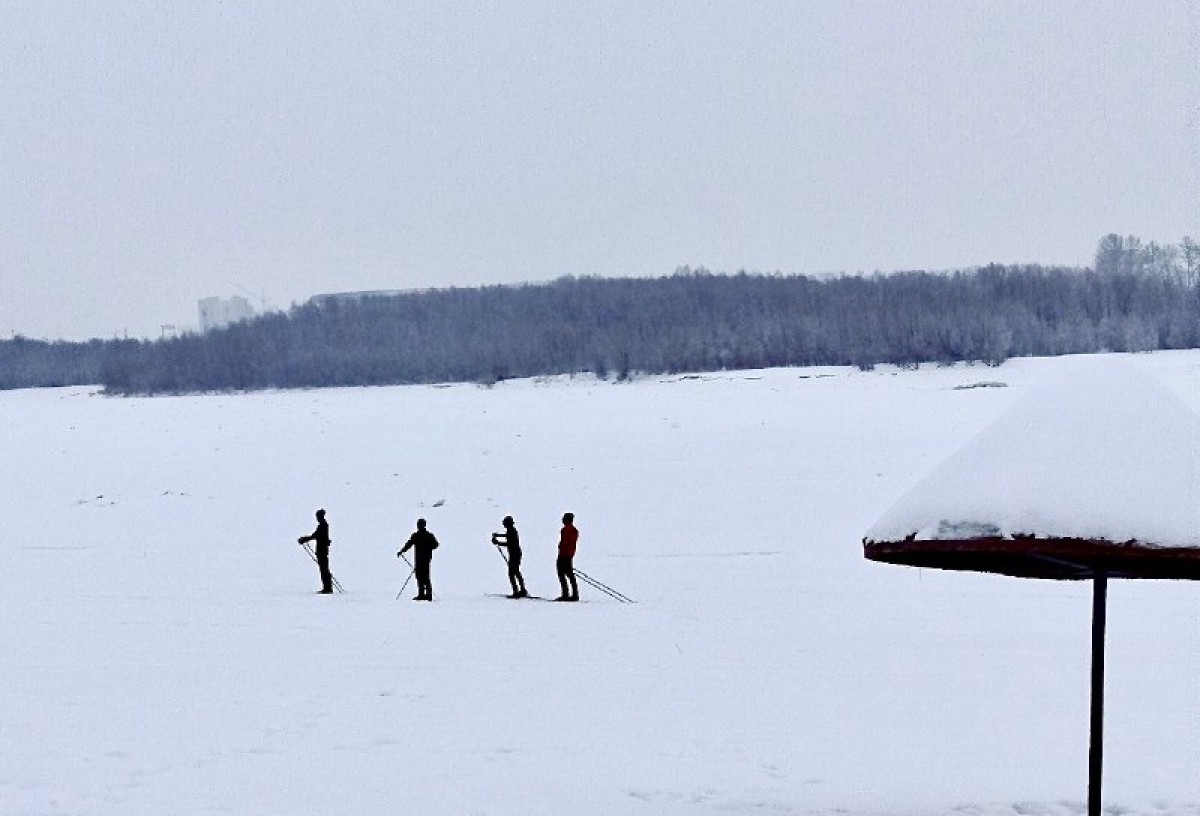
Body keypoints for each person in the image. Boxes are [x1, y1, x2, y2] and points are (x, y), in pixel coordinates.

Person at [398, 518, 439, 601]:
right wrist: (429, 548)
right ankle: (427, 595)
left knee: (420, 577)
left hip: (419, 559)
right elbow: (435, 545)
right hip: (426, 559)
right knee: (425, 576)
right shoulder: (429, 535)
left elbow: (408, 544)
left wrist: (402, 551)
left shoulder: (416, 535)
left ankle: (422, 595)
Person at [298, 508, 333, 594]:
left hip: (322, 550)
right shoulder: (323, 525)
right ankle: (327, 587)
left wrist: (305, 539)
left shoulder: (323, 525)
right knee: (324, 569)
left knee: (324, 569)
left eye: (317, 516)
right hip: (322, 550)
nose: (317, 518)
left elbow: (316, 535)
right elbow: (316, 535)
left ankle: (327, 588)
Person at [491, 515, 527, 598]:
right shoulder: (511, 530)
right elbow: (507, 536)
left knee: (512, 573)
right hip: (516, 554)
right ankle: (522, 590)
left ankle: (516, 592)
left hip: (515, 554)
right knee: (516, 572)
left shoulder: (511, 531)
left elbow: (509, 543)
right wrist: (498, 536)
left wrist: (498, 543)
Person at [555, 512, 579, 602]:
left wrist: (561, 550)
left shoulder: (565, 530)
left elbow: (564, 543)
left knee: (562, 574)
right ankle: (575, 594)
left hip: (563, 555)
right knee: (570, 575)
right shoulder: (574, 530)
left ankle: (565, 594)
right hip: (569, 555)